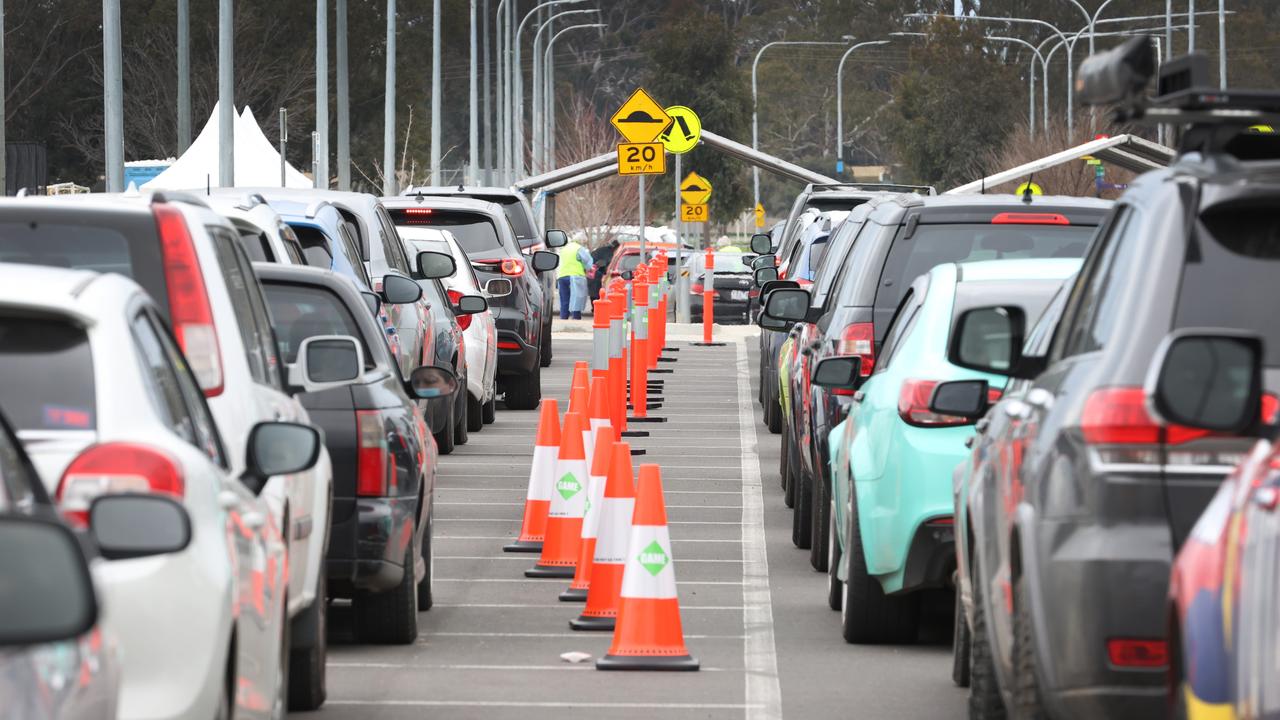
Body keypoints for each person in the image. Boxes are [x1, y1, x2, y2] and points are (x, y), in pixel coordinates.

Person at [556, 236, 593, 320]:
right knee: (577, 297)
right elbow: (587, 261)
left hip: (562, 276)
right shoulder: (579, 248)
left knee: (564, 299)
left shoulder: (564, 249)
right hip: (575, 276)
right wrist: (588, 269)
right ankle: (576, 318)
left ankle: (564, 317)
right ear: (581, 242)